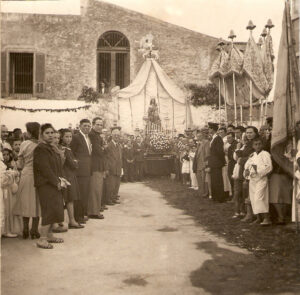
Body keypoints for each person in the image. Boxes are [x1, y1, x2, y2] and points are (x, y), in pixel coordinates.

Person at [33, 123, 65, 249]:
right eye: (47, 133)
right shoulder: (40, 149)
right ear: (41, 135)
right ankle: (42, 239)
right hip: (46, 184)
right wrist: (55, 182)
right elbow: (45, 168)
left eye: (52, 133)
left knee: (55, 209)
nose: (51, 135)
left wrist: (61, 180)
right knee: (48, 210)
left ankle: (50, 235)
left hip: (54, 183)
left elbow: (56, 167)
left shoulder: (51, 148)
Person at [13, 122, 41, 239]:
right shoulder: (41, 144)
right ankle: (34, 230)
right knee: (37, 203)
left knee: (26, 203)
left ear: (29, 132)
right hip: (38, 175)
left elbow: (20, 164)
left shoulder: (24, 144)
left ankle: (25, 228)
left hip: (26, 175)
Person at [244, 137, 272, 226]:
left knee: (259, 198)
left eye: (259, 144)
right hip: (252, 179)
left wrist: (258, 171)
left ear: (262, 145)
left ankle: (267, 218)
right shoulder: (252, 155)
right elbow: (247, 165)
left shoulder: (265, 154)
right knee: (253, 199)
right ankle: (258, 218)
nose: (258, 146)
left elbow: (269, 167)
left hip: (261, 179)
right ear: (253, 146)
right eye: (256, 144)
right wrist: (246, 171)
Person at [59, 129, 84, 228]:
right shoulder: (64, 149)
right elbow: (73, 163)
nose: (69, 139)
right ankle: (71, 220)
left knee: (70, 198)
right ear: (62, 137)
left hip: (70, 175)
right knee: (69, 199)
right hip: (67, 176)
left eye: (70, 137)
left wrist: (75, 161)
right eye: (66, 136)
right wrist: (75, 162)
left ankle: (71, 220)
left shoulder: (68, 149)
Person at [70, 119, 92, 224]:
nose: (87, 128)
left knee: (85, 193)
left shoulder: (88, 137)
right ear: (80, 126)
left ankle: (82, 214)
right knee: (79, 194)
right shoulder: (76, 137)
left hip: (87, 170)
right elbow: (72, 153)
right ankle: (78, 216)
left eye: (88, 126)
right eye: (85, 126)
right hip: (79, 171)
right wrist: (76, 164)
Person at [88, 117, 105, 219]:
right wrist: (103, 149)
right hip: (95, 166)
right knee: (95, 189)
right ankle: (94, 212)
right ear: (93, 124)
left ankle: (95, 209)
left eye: (101, 125)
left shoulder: (96, 135)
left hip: (98, 165)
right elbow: (99, 151)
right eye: (97, 124)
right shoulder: (93, 135)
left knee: (97, 189)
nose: (99, 126)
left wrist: (102, 148)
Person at [208, 122, 226, 203]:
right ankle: (215, 197)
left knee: (217, 180)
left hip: (217, 162)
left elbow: (220, 152)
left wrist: (221, 161)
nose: (208, 130)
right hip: (213, 162)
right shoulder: (213, 138)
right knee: (214, 180)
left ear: (212, 129)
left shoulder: (218, 139)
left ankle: (220, 197)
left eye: (209, 128)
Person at [105, 127, 122, 205]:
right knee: (110, 185)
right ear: (111, 135)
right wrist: (107, 169)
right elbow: (106, 158)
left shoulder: (119, 145)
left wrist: (121, 168)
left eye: (118, 135)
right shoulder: (109, 146)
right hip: (111, 168)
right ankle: (109, 200)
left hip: (118, 168)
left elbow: (120, 157)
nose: (116, 136)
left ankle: (114, 198)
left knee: (116, 184)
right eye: (115, 135)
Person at [193, 129, 210, 197]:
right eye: (197, 136)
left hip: (203, 164)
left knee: (204, 180)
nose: (198, 137)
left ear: (202, 136)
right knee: (199, 179)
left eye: (199, 136)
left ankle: (205, 193)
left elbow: (207, 154)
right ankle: (201, 192)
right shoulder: (199, 144)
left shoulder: (206, 142)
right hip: (198, 164)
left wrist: (205, 164)